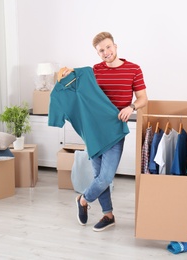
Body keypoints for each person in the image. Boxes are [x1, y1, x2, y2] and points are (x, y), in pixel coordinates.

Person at [61, 32, 148, 231]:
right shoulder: (95, 71)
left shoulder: (133, 69)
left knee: (105, 177)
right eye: (101, 50)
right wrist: (69, 75)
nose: (106, 52)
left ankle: (83, 200)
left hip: (115, 129)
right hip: (94, 130)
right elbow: (79, 82)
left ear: (115, 46)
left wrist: (131, 107)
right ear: (97, 53)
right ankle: (108, 215)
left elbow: (143, 98)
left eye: (108, 47)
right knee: (99, 175)